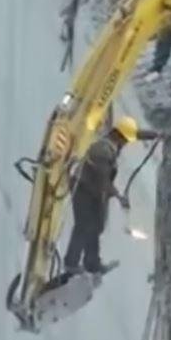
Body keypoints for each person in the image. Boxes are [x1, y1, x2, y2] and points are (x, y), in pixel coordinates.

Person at [62, 117, 152, 275]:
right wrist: (118, 196)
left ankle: (92, 263)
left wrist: (157, 135)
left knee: (96, 226)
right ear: (118, 136)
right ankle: (71, 263)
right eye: (125, 141)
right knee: (83, 225)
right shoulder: (102, 150)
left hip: (93, 193)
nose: (125, 145)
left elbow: (135, 135)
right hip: (83, 190)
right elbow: (103, 179)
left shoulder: (110, 146)